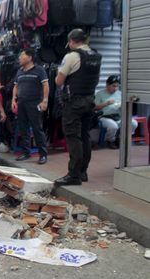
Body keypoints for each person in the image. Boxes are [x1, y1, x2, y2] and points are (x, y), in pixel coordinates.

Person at [54, 29, 102, 186]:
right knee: (85, 136)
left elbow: (59, 82)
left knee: (73, 137)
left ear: (71, 41)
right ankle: (82, 172)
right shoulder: (95, 55)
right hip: (90, 100)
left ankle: (73, 175)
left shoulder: (72, 56)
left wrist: (58, 74)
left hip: (75, 103)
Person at [12, 48, 49, 165]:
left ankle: (43, 155)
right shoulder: (20, 71)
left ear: (29, 58)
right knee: (23, 128)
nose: (19, 58)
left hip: (35, 103)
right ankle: (26, 152)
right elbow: (16, 86)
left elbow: (46, 85)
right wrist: (14, 100)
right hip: (22, 103)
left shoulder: (39, 70)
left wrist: (45, 101)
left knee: (37, 128)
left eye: (22, 56)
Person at [94, 75, 138, 149]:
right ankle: (111, 141)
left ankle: (122, 139)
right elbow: (95, 108)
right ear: (107, 85)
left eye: (117, 86)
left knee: (133, 123)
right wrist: (106, 103)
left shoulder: (120, 94)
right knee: (113, 126)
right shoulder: (99, 94)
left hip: (118, 116)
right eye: (113, 86)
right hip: (105, 117)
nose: (115, 88)